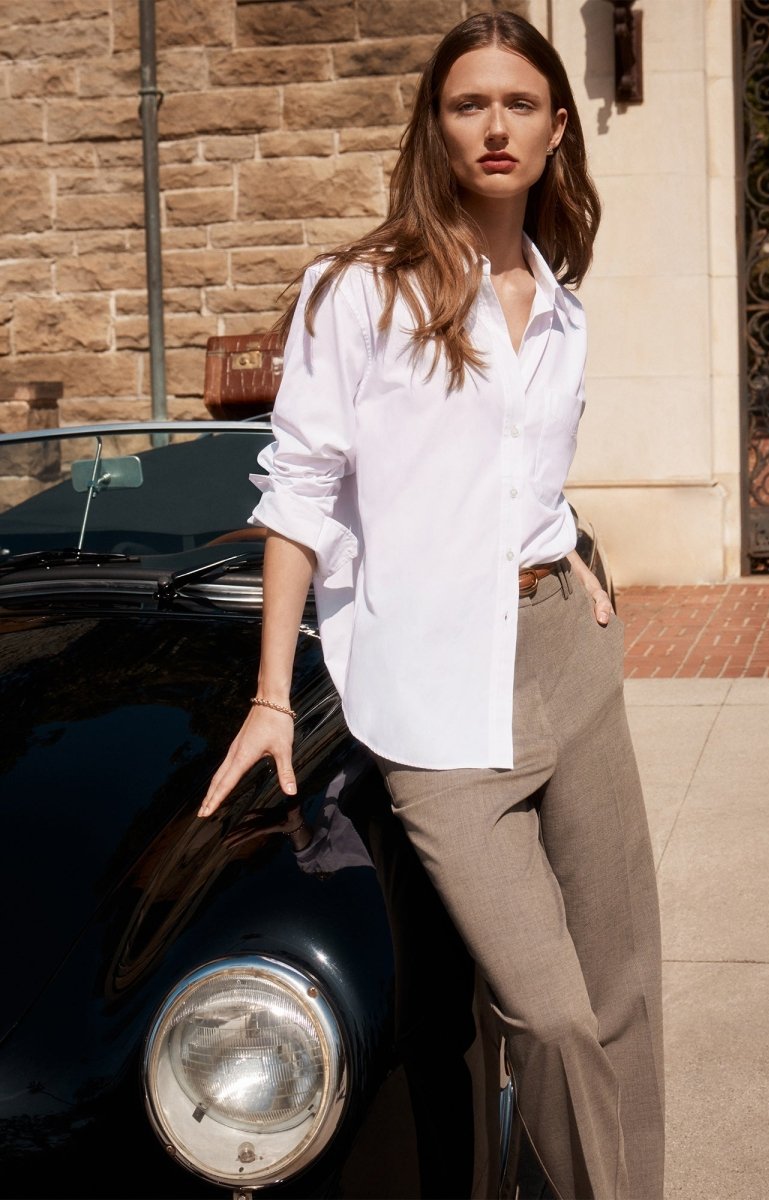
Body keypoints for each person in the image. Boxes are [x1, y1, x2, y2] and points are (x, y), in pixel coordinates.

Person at [198, 10, 664, 1199]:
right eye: (469, 104)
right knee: (550, 1017)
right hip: (436, 698)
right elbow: (296, 494)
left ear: (559, 128)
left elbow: (521, 477)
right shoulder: (355, 294)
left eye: (519, 104)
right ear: (436, 127)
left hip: (565, 649)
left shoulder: (558, 302)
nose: (495, 126)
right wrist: (267, 696)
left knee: (621, 1002)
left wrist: (573, 554)